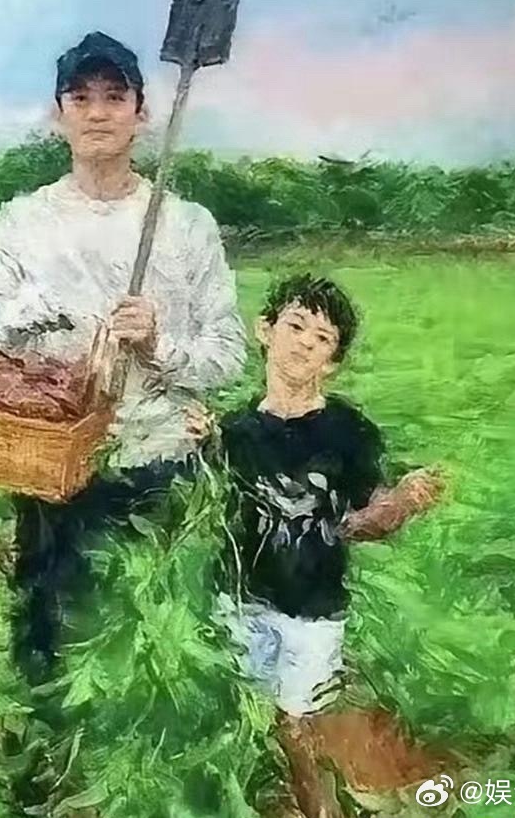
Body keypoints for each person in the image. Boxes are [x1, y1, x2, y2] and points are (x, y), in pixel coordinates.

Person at [0, 30, 245, 682]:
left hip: (157, 464)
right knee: (48, 646)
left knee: (154, 647)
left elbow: (229, 354)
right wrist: (27, 317)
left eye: (115, 97)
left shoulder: (187, 225)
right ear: (57, 114)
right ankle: (42, 737)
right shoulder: (23, 222)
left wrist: (158, 344)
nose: (98, 112)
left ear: (141, 114)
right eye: (81, 97)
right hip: (53, 467)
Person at [213, 274, 443, 818]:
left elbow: (365, 520)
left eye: (322, 340)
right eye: (296, 326)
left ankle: (319, 806)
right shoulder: (233, 431)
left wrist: (402, 503)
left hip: (313, 609)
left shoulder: (348, 431)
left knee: (299, 726)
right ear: (265, 330)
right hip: (239, 600)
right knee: (245, 720)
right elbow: (205, 506)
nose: (304, 344)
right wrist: (200, 445)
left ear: (332, 362)